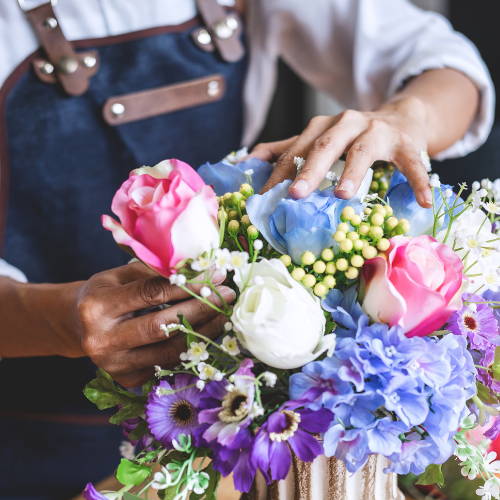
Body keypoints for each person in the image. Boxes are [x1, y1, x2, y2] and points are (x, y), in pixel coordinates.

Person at [0, 0, 494, 498]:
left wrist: (405, 117)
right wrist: (55, 318)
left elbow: (449, 68)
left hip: (219, 438)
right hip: (22, 435)